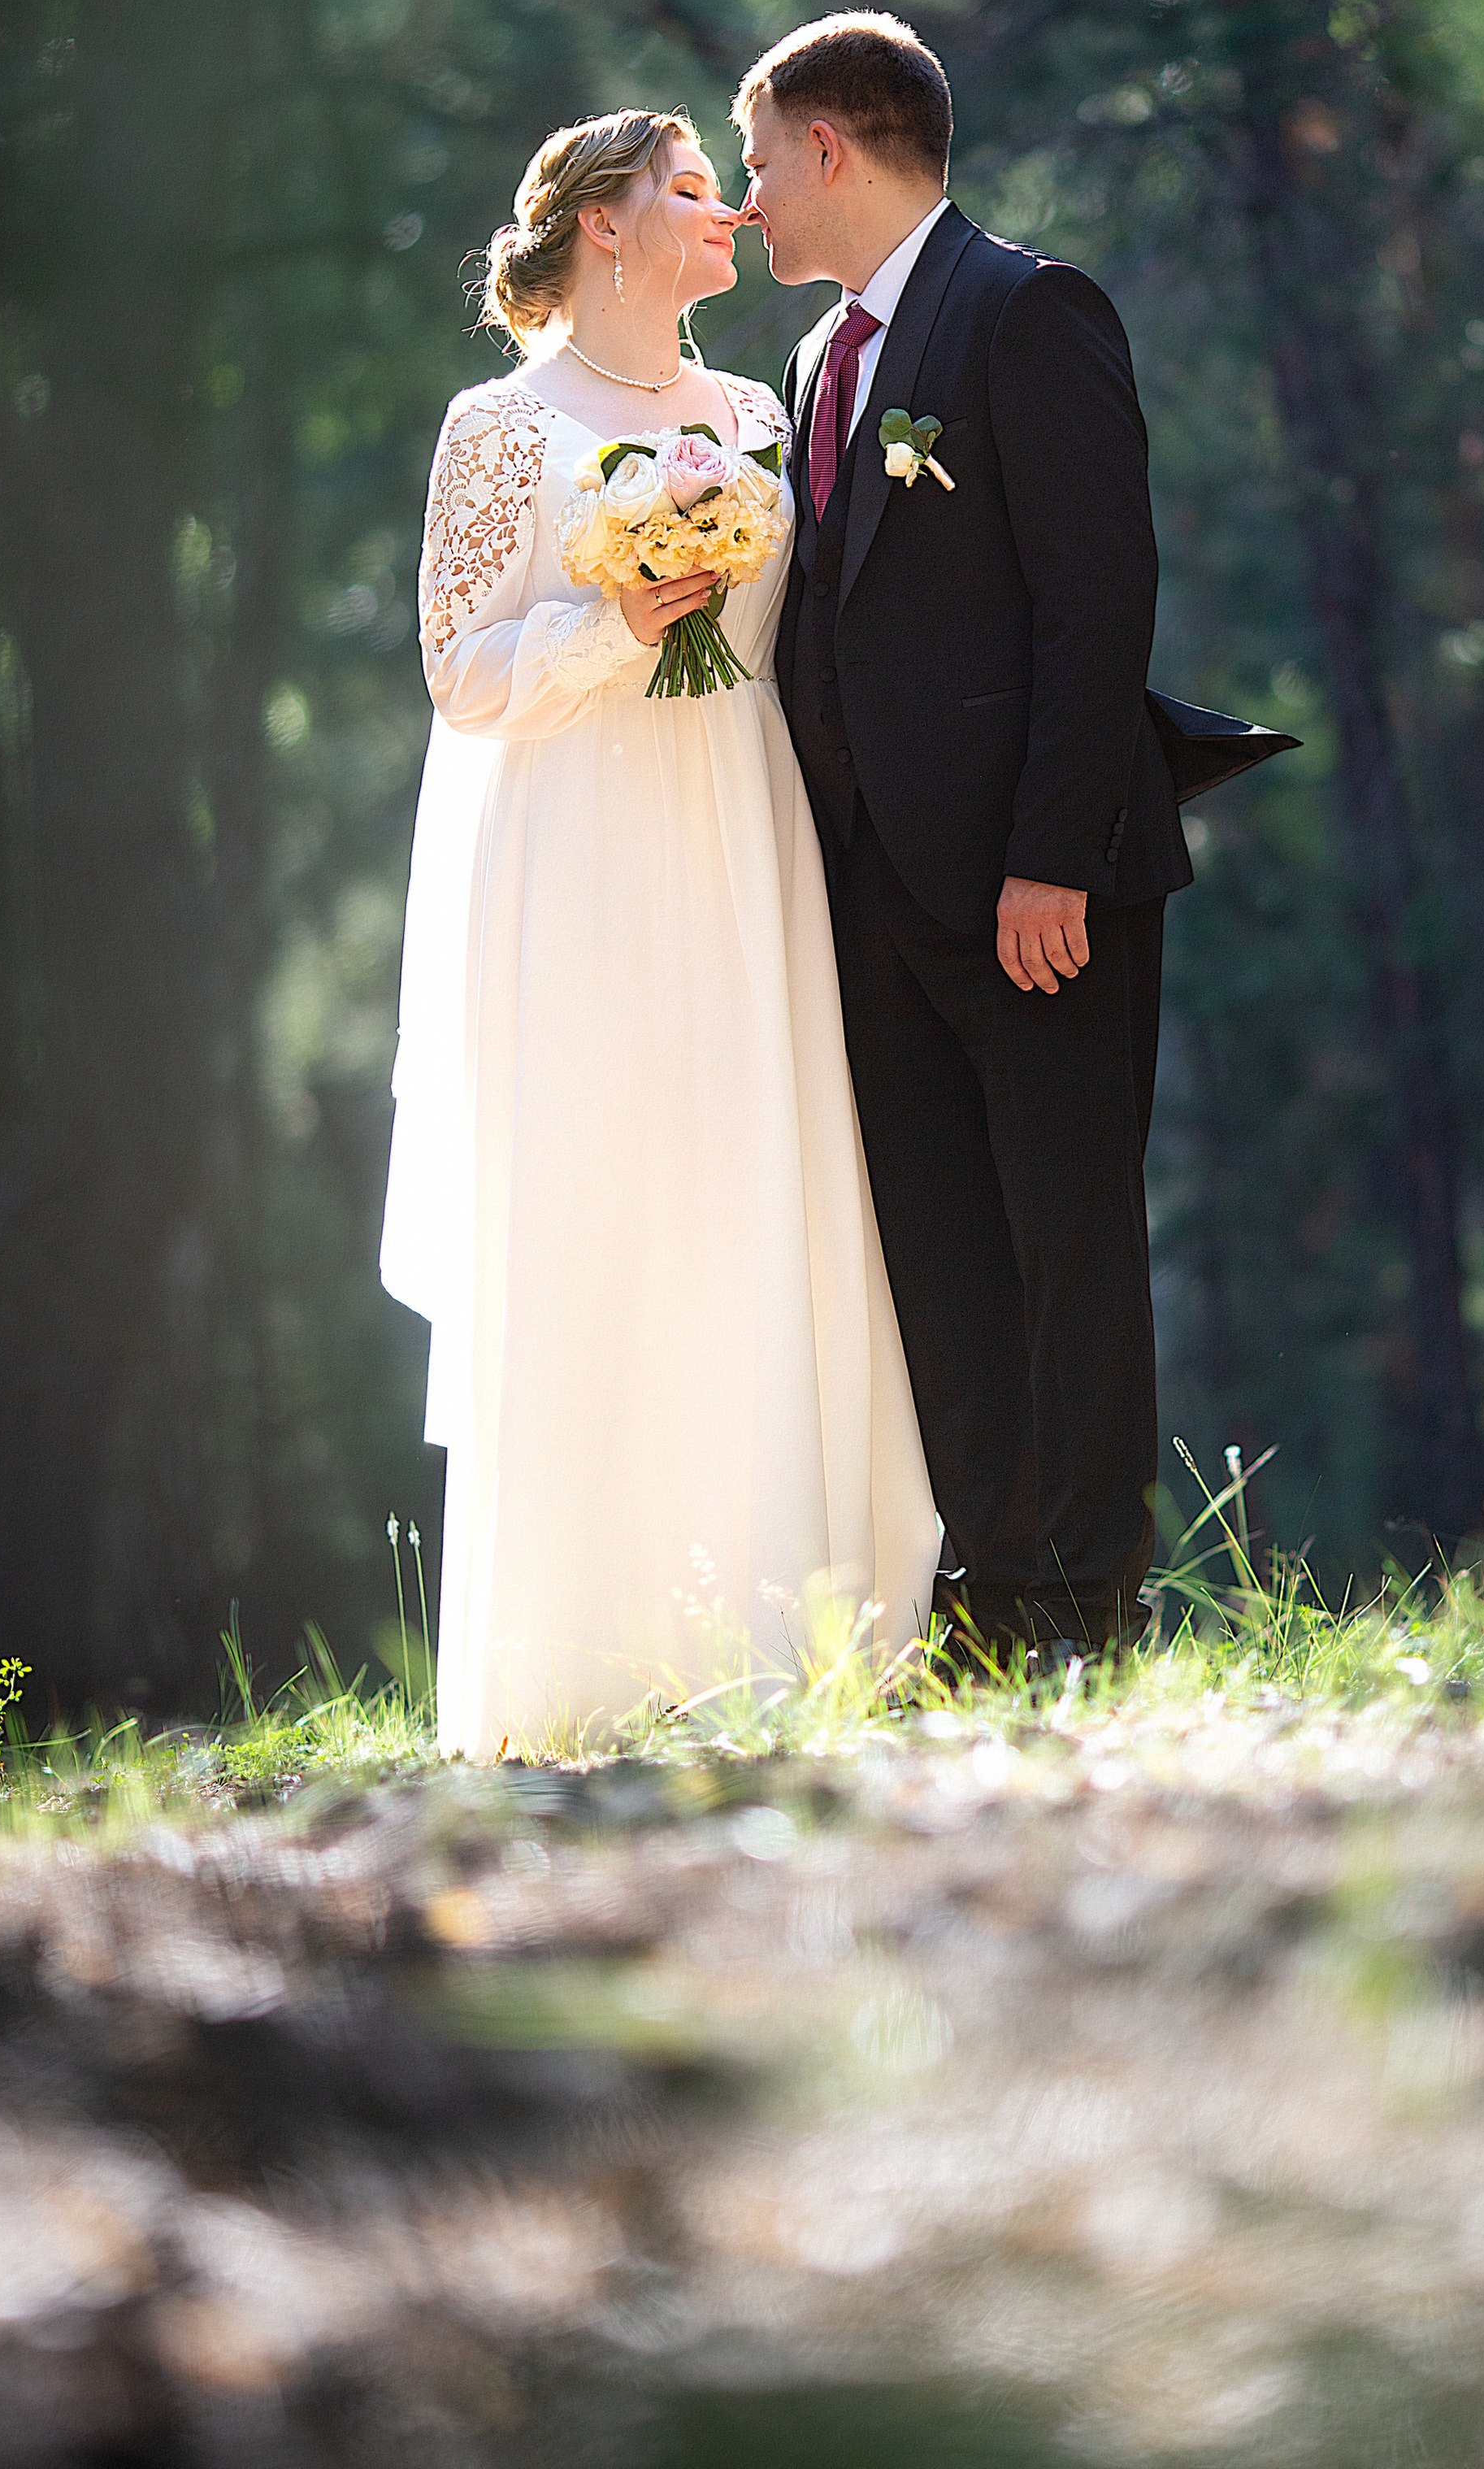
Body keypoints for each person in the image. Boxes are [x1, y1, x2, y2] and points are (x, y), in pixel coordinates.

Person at [380, 106, 939, 1758]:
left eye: (725, 186)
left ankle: (781, 1627)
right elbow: (458, 676)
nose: (729, 213)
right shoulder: (500, 428)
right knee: (599, 1207)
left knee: (751, 1188)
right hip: (575, 861)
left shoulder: (760, 413)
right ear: (602, 228)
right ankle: (581, 1661)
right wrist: (613, 622)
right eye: (692, 192)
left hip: (739, 842)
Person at [735, 13, 1192, 1662]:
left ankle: (1085, 1598)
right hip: (868, 895)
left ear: (831, 147)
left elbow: (1095, 601)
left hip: (1029, 887)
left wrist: (1050, 860)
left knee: (1064, 1242)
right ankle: (985, 1603)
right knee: (935, 1254)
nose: (745, 199)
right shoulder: (808, 364)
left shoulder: (1025, 310)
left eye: (759, 158)